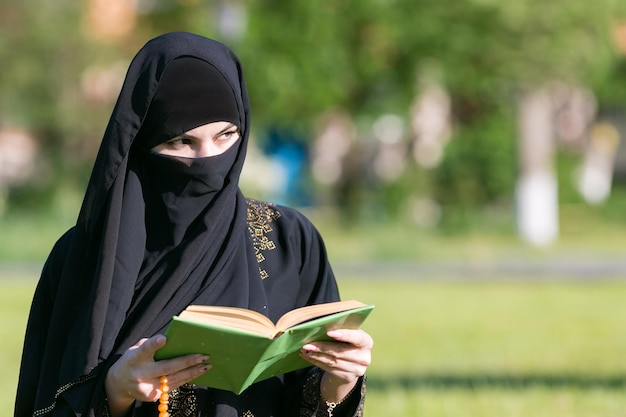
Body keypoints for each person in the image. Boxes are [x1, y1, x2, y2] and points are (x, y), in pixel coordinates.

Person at [14, 32, 373, 417]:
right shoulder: (83, 260)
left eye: (226, 136)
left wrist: (337, 384)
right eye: (181, 142)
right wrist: (114, 390)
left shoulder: (290, 239)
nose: (210, 162)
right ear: (139, 144)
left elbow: (311, 398)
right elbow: (46, 403)